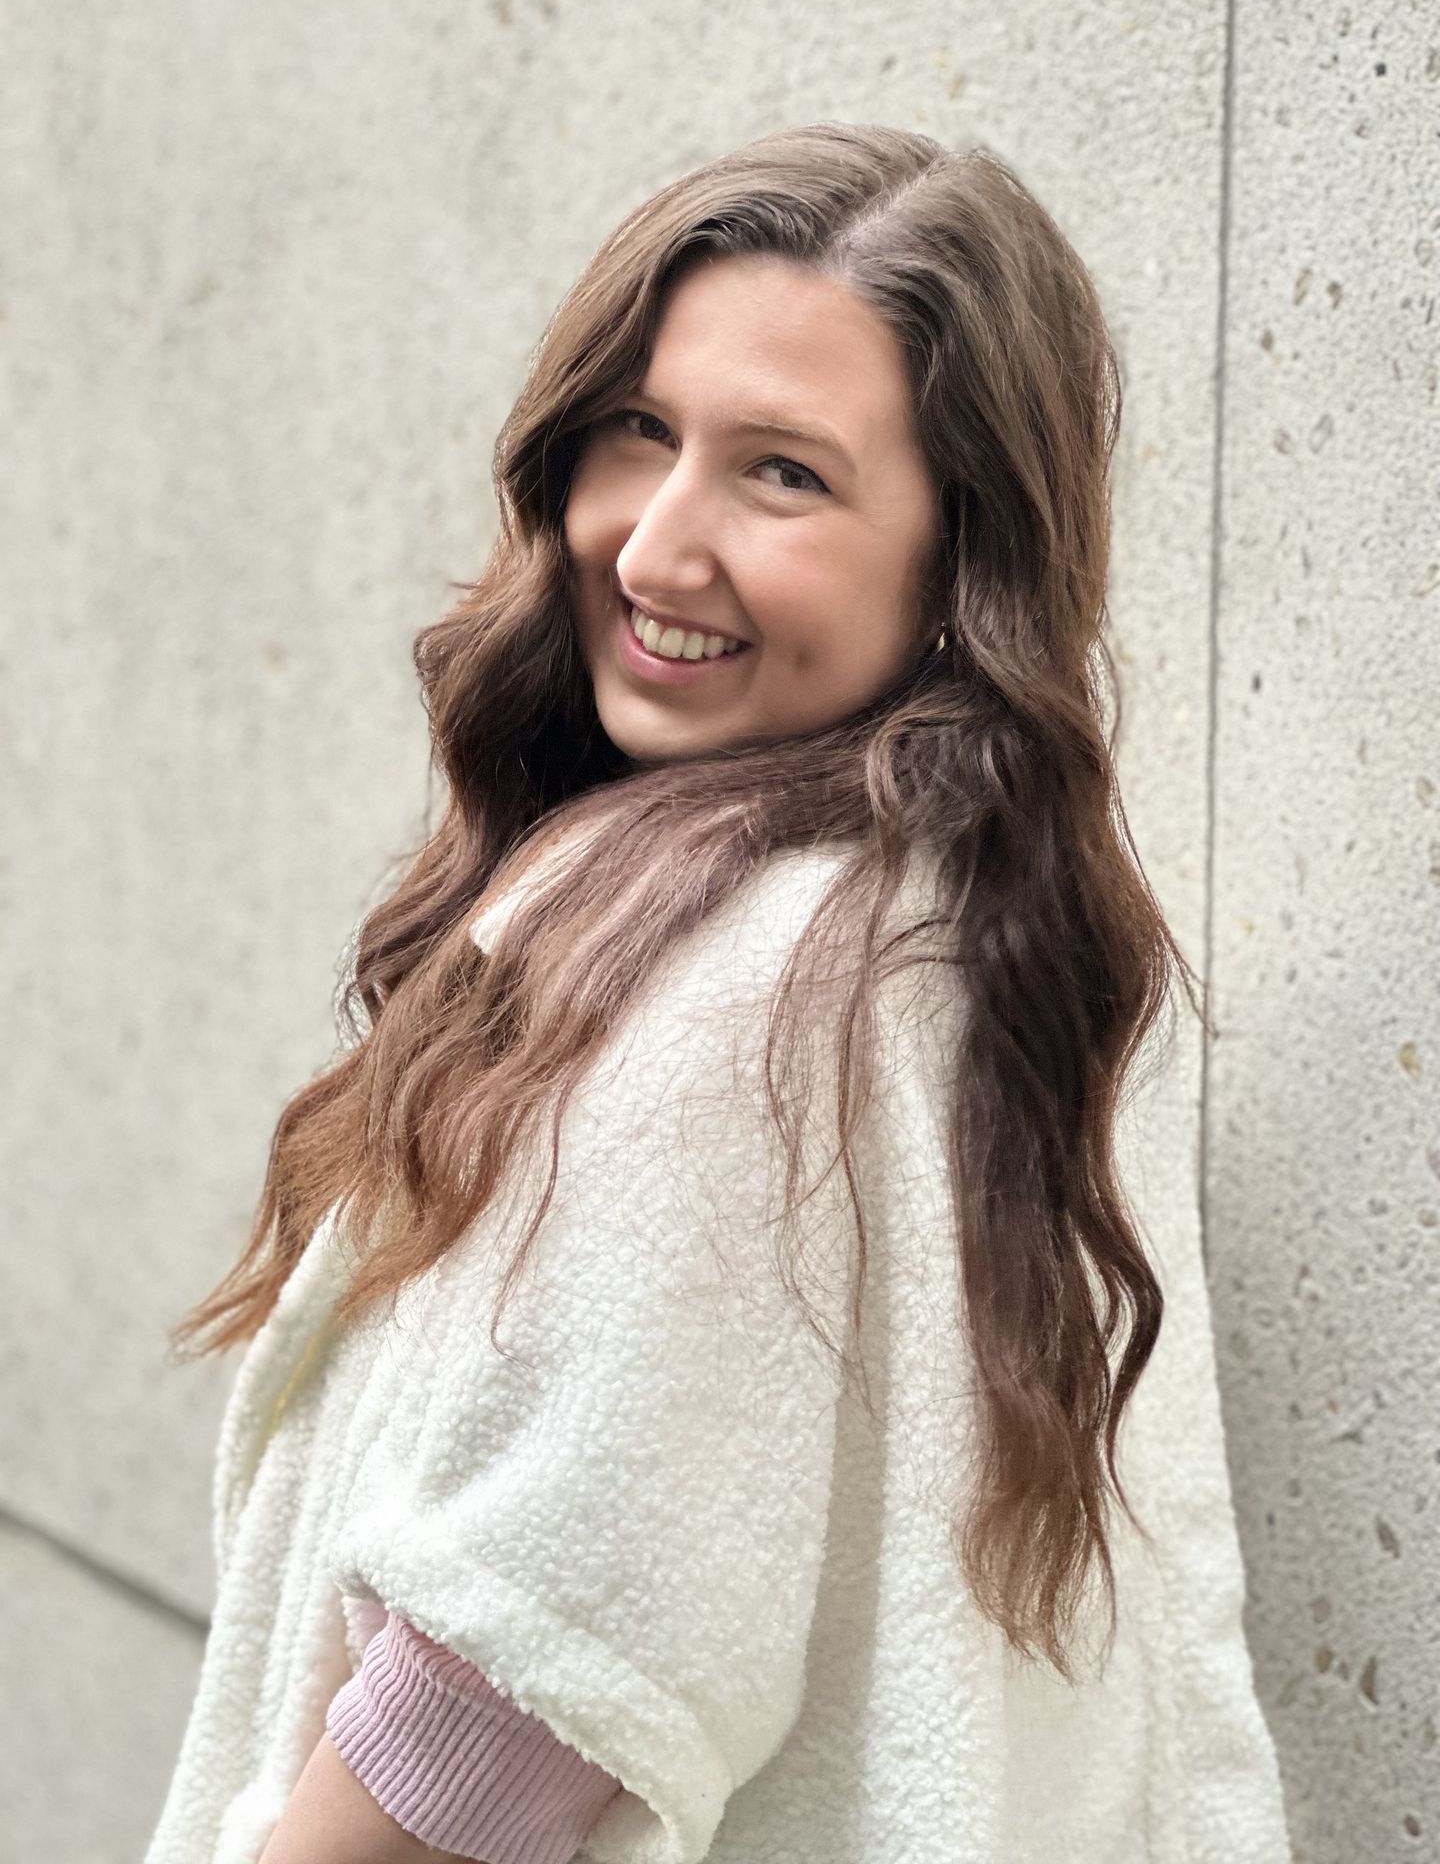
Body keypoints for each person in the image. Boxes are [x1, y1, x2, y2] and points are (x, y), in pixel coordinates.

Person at [145, 121, 1292, 1864]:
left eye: (785, 477)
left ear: (957, 556)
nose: (657, 549)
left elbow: (522, 1672)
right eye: (645, 432)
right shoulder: (996, 920)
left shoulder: (764, 985)